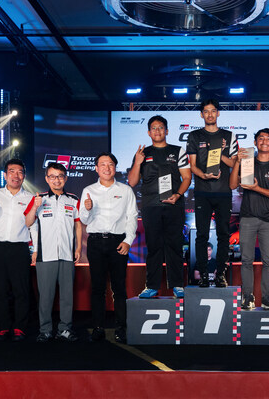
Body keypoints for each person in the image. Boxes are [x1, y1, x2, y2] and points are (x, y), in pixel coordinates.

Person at [128, 115, 191, 299]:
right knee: (154, 247)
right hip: (151, 206)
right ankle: (151, 286)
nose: (157, 131)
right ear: (149, 132)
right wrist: (137, 162)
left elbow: (187, 177)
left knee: (175, 246)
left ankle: (177, 285)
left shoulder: (178, 151)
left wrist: (177, 195)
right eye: (154, 128)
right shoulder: (142, 153)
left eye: (161, 127)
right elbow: (132, 181)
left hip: (174, 205)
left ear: (167, 131)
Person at [80, 152, 137, 343]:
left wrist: (128, 240)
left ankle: (121, 328)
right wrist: (87, 209)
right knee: (97, 288)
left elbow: (132, 217)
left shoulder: (125, 190)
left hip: (118, 242)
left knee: (119, 288)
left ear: (115, 167)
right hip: (96, 242)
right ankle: (98, 327)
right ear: (96, 168)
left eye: (110, 164)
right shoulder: (88, 190)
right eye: (103, 164)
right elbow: (84, 220)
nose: (107, 168)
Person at [24, 162, 82, 343]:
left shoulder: (73, 199)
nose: (56, 180)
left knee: (67, 296)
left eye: (60, 176)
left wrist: (78, 248)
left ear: (65, 178)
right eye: (52, 176)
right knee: (46, 296)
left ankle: (65, 329)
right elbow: (28, 222)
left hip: (66, 254)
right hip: (45, 255)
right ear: (47, 179)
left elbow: (78, 225)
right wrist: (35, 207)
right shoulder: (39, 199)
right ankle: (45, 330)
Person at [230, 128, 269, 310]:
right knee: (246, 260)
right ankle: (248, 297)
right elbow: (232, 184)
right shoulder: (247, 162)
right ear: (255, 142)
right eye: (261, 138)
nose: (264, 141)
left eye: (268, 138)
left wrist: (256, 188)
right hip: (247, 218)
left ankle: (267, 299)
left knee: (268, 261)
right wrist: (237, 162)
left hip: (268, 220)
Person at [186, 98, 238, 287]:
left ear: (218, 113)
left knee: (224, 235)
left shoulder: (229, 136)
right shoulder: (194, 136)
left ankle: (220, 274)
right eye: (206, 111)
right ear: (201, 114)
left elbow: (234, 163)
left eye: (213, 111)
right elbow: (192, 166)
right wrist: (204, 176)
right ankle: (202, 274)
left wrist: (220, 151)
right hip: (202, 192)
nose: (210, 114)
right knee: (202, 235)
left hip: (223, 192)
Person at [0, 159, 34, 342]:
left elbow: (34, 226)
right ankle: (4, 327)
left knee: (21, 290)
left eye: (20, 172)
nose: (16, 175)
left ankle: (20, 327)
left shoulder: (30, 198)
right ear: (5, 175)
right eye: (12, 171)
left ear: (24, 176)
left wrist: (35, 250)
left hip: (19, 248)